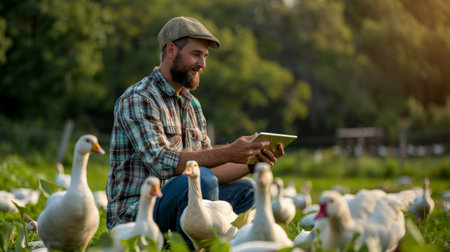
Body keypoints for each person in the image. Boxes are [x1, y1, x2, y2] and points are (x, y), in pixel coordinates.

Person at [106, 16, 284, 246]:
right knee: (205, 180)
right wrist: (230, 151)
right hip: (136, 216)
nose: (203, 64)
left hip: (180, 203)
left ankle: (194, 243)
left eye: (205, 57)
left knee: (246, 190)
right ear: (171, 50)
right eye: (196, 54)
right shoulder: (139, 98)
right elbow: (161, 162)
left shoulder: (192, 106)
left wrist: (251, 162)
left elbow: (211, 170)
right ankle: (192, 247)